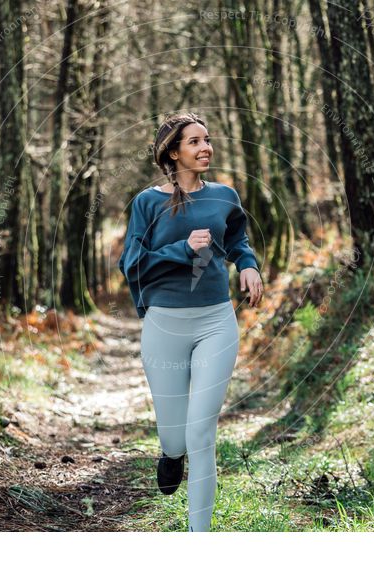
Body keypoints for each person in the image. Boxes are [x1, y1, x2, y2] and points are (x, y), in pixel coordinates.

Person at [117, 112, 264, 532]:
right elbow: (132, 263)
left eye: (207, 139)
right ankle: (170, 453)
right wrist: (182, 249)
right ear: (173, 151)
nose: (205, 148)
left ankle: (199, 540)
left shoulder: (224, 195)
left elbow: (237, 238)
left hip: (217, 320)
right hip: (165, 324)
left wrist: (247, 265)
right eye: (194, 141)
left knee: (202, 433)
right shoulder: (148, 202)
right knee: (176, 436)